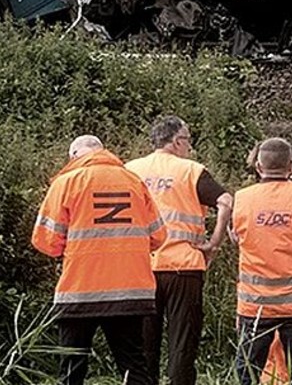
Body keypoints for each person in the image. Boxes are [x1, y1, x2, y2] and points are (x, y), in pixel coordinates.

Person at [33, 138, 163, 385]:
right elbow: (158, 236)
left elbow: (46, 241)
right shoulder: (134, 182)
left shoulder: (66, 183)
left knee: (72, 369)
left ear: (74, 157)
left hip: (80, 292)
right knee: (133, 366)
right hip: (130, 293)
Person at [126, 116, 234, 385]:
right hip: (184, 267)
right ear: (176, 142)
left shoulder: (130, 170)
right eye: (187, 139)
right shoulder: (191, 170)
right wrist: (214, 244)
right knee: (183, 343)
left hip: (141, 269)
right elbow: (226, 201)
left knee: (142, 346)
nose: (189, 146)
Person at [231, 137, 292, 385]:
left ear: (259, 167)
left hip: (256, 304)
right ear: (291, 166)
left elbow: (236, 238)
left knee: (249, 371)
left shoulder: (242, 199)